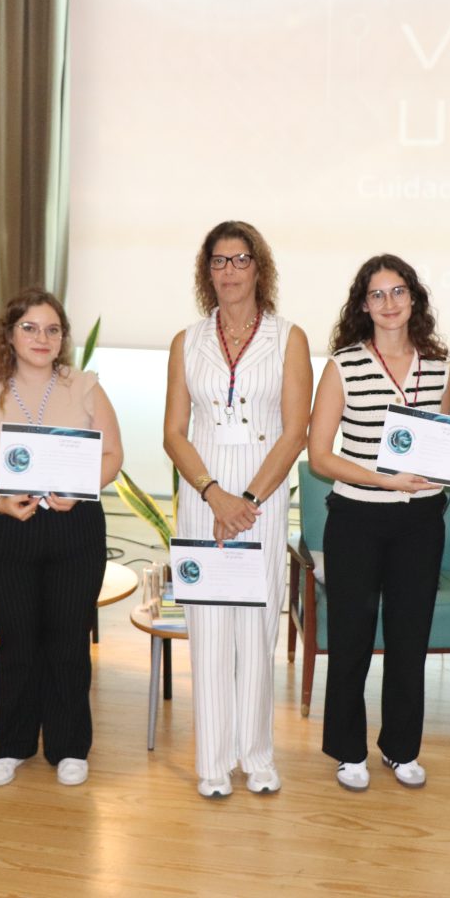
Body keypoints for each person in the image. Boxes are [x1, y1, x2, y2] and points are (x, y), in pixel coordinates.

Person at [0, 287, 123, 787]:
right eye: (29, 328)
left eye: (52, 329)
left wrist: (80, 488)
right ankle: (12, 745)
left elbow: (112, 456)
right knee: (17, 642)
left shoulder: (85, 387)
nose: (41, 338)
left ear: (63, 338)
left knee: (68, 641)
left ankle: (69, 747)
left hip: (74, 528)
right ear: (9, 334)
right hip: (7, 528)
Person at [163, 220, 311, 798]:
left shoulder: (288, 337)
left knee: (256, 629)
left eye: (240, 259)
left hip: (261, 501)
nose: (229, 271)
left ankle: (257, 757)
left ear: (259, 267)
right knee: (207, 630)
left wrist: (246, 500)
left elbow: (295, 432)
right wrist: (212, 493)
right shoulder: (187, 341)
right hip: (203, 499)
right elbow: (174, 432)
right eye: (218, 261)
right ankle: (213, 762)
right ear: (207, 272)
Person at [307, 254, 450, 791]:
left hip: (421, 522)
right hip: (357, 520)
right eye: (377, 294)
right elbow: (320, 456)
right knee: (351, 639)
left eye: (398, 292)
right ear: (363, 305)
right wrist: (384, 480)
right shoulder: (343, 366)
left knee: (410, 640)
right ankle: (349, 751)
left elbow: (439, 442)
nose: (389, 303)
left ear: (414, 299)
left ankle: (401, 748)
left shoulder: (441, 364)